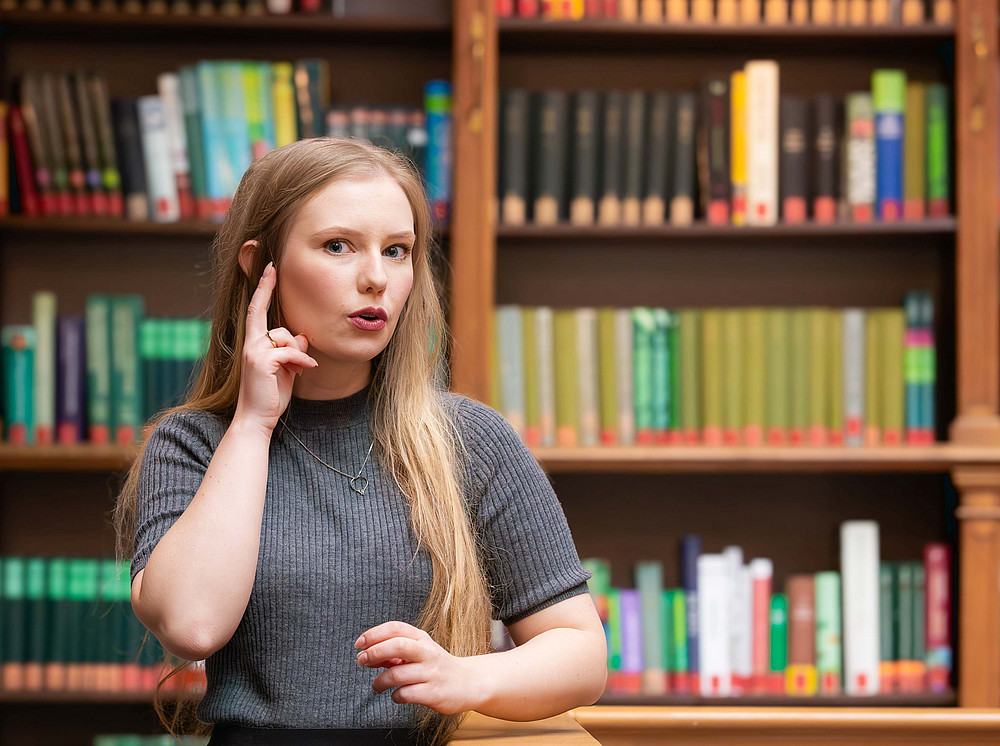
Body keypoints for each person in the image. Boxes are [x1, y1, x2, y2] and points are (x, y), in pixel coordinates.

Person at [112, 137, 607, 746]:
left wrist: (469, 677)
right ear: (259, 266)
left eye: (397, 251)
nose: (376, 278)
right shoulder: (190, 444)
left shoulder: (469, 440)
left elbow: (582, 653)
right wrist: (253, 423)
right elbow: (191, 627)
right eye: (338, 246)